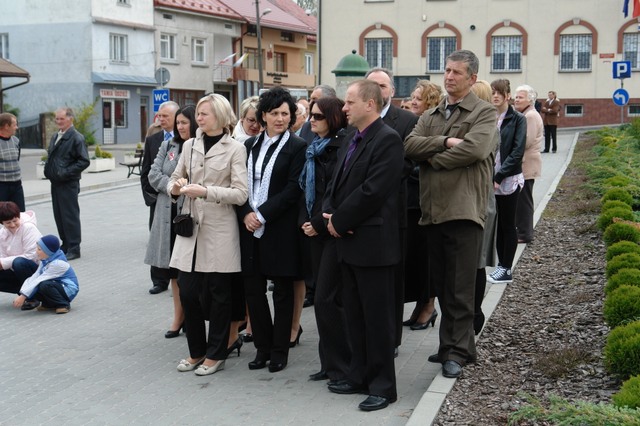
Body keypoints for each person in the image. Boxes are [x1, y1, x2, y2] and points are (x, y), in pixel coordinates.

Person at [404, 49, 498, 379]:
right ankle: (452, 347)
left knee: (460, 288)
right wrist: (445, 142)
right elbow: (410, 145)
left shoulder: (484, 112)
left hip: (463, 211)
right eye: (446, 70)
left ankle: (457, 351)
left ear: (472, 78)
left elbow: (475, 149)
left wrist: (430, 160)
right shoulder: (433, 114)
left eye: (457, 72)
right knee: (443, 286)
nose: (449, 77)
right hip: (433, 212)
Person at [323, 79, 404, 412]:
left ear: (370, 104)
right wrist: (329, 213)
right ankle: (358, 375)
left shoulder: (387, 139)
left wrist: (339, 220)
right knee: (354, 316)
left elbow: (374, 191)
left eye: (349, 102)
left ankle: (383, 387)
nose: (344, 108)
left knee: (377, 320)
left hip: (373, 245)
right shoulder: (351, 138)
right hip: (349, 242)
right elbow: (336, 182)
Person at [169, 94, 248, 376]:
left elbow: (241, 193)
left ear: (220, 116)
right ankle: (196, 351)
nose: (198, 118)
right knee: (188, 292)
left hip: (219, 229)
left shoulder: (235, 149)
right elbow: (174, 179)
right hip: (190, 229)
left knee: (218, 295)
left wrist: (205, 192)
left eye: (204, 113)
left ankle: (216, 354)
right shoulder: (189, 145)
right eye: (198, 114)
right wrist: (176, 187)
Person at [237, 87, 306, 373]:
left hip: (280, 228)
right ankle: (262, 348)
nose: (280, 119)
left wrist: (262, 214)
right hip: (249, 226)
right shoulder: (249, 145)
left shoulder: (297, 147)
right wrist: (246, 213)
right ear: (263, 115)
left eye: (285, 114)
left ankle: (279, 350)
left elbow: (293, 188)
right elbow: (239, 184)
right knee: (253, 291)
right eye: (274, 113)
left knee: (282, 292)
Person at [365, 67, 418, 353]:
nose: (377, 90)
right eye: (372, 84)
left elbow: (406, 164)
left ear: (392, 91)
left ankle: (391, 339)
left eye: (382, 86)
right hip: (361, 216)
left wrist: (372, 182)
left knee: (393, 281)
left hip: (393, 213)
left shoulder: (407, 121)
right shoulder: (356, 120)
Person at [298, 97, 349, 383]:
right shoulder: (313, 147)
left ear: (333, 117)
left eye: (318, 116)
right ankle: (328, 363)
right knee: (322, 298)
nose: (311, 120)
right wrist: (305, 223)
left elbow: (334, 193)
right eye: (311, 115)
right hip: (313, 230)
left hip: (331, 230)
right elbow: (304, 189)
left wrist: (317, 223)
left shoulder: (340, 148)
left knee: (328, 299)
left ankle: (341, 366)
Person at [145, 105, 197, 338]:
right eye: (178, 123)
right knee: (174, 270)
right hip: (168, 215)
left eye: (185, 122)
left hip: (193, 215)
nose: (180, 126)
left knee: (192, 270)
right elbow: (153, 174)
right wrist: (173, 187)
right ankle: (179, 316)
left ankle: (194, 315)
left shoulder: (201, 146)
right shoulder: (169, 146)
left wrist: (186, 188)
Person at [403, 80, 442, 332]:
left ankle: (429, 306)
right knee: (415, 256)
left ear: (430, 102)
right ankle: (420, 305)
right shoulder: (413, 123)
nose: (413, 101)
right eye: (413, 97)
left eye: (419, 98)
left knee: (427, 256)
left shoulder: (432, 126)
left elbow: (428, 163)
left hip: (424, 200)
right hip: (408, 200)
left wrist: (407, 169)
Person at [486, 79, 526, 285]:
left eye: (499, 92)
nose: (495, 96)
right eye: (492, 92)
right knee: (497, 225)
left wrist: (499, 177)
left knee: (508, 225)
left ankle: (506, 268)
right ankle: (500, 267)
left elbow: (517, 152)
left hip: (508, 179)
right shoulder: (488, 116)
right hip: (490, 178)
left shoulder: (517, 118)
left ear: (507, 95)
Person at [141, 101, 179, 294]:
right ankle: (159, 280)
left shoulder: (185, 140)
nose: (161, 119)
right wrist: (151, 198)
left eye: (165, 116)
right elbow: (146, 171)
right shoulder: (153, 139)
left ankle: (177, 278)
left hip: (178, 200)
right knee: (157, 239)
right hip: (158, 199)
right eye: (159, 116)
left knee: (175, 238)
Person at [44, 107, 90, 261]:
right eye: (57, 119)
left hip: (68, 183)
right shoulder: (56, 135)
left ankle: (74, 248)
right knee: (59, 215)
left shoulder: (76, 137)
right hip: (56, 182)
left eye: (61, 119)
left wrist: (65, 172)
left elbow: (84, 161)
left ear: (70, 119)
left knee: (70, 216)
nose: (58, 121)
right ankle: (65, 244)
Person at [470, 79, 497, 335]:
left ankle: (475, 314)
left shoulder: (486, 126)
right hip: (475, 197)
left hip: (480, 199)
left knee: (476, 262)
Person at [12, 234, 79, 314]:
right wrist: (23, 293)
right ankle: (49, 304)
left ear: (48, 251)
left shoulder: (58, 264)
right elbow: (35, 276)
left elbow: (40, 279)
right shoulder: (46, 259)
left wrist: (23, 296)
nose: (36, 251)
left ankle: (63, 304)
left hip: (68, 290)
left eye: (39, 249)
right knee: (35, 286)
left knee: (44, 285)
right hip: (57, 285)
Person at [514, 84, 543, 244]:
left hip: (527, 163)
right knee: (522, 199)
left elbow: (526, 141)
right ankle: (522, 231)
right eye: (516, 96)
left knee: (523, 201)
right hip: (526, 163)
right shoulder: (526, 114)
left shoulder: (530, 116)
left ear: (530, 100)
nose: (516, 99)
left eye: (520, 97)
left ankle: (525, 234)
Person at [0, 201, 42, 304]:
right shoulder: (2, 233)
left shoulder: (29, 228)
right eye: (8, 223)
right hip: (16, 270)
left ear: (19, 216)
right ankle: (28, 294)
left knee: (19, 262)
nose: (12, 225)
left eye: (15, 220)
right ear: (2, 223)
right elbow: (2, 256)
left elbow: (31, 256)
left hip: (37, 269)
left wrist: (4, 263)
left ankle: (33, 297)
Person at [0, 113, 25, 211]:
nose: (17, 127)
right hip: (2, 185)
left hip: (17, 185)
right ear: (6, 126)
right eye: (15, 125)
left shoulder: (16, 141)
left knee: (20, 213)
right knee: (2, 214)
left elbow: (17, 159)